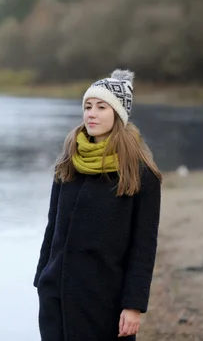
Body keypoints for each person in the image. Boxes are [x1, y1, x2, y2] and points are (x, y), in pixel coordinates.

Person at [33, 69, 162, 341]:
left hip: (106, 301)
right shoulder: (67, 165)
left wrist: (133, 305)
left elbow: (144, 246)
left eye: (101, 107)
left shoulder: (141, 174)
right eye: (88, 106)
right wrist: (42, 280)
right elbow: (52, 229)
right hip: (57, 295)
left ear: (118, 114)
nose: (91, 113)